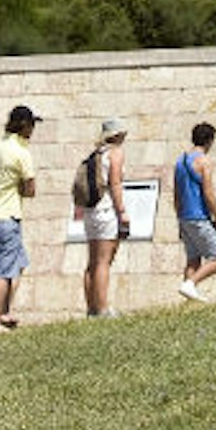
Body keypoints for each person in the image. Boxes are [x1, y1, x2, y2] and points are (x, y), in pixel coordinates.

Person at [0, 105, 40, 331]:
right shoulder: (21, 152)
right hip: (7, 214)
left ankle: (5, 312)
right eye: (32, 125)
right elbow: (30, 189)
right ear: (24, 125)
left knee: (19, 263)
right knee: (3, 271)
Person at [78, 117, 131, 318]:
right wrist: (122, 211)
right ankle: (102, 308)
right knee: (104, 261)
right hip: (107, 210)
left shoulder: (95, 155)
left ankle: (91, 307)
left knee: (92, 262)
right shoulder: (115, 154)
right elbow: (115, 184)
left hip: (90, 211)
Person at [173, 122, 216, 301]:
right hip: (199, 216)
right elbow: (208, 192)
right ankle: (190, 284)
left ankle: (189, 298)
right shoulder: (203, 161)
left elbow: (176, 193)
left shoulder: (180, 161)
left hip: (184, 217)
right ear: (209, 141)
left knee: (193, 259)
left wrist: (179, 216)